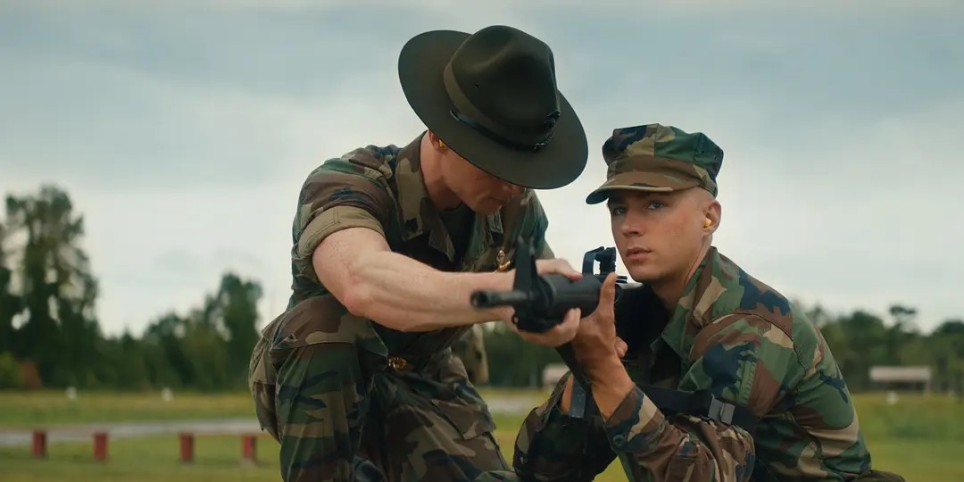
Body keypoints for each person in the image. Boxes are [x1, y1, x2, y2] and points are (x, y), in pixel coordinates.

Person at [248, 25, 590, 482]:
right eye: (498, 162)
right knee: (325, 326)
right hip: (323, 379)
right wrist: (503, 295)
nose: (513, 185)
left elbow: (540, 285)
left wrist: (561, 314)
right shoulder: (350, 184)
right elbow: (362, 282)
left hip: (429, 384)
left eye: (524, 165)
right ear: (442, 135)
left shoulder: (515, 210)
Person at [512, 123, 902, 481]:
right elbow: (541, 471)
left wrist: (603, 369)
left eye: (654, 205)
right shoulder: (638, 317)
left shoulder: (748, 325)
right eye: (619, 209)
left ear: (709, 218)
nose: (629, 226)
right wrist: (583, 369)